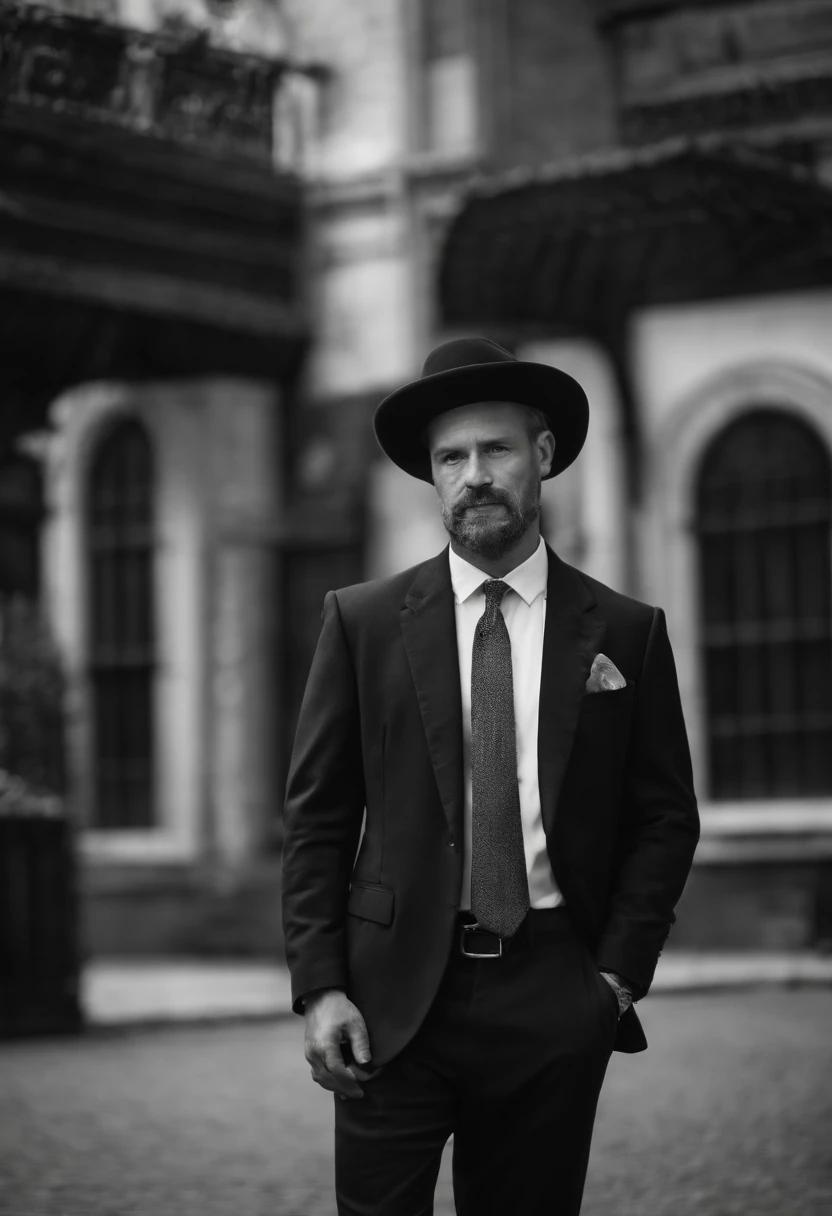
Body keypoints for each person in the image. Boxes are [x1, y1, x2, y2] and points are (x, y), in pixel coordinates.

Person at [282, 336, 700, 1216]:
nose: (474, 475)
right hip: (390, 1001)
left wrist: (615, 981)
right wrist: (320, 987)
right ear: (432, 475)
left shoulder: (626, 633)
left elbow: (664, 817)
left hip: (553, 992)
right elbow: (318, 818)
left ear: (542, 456)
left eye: (496, 449)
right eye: (451, 457)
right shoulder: (360, 623)